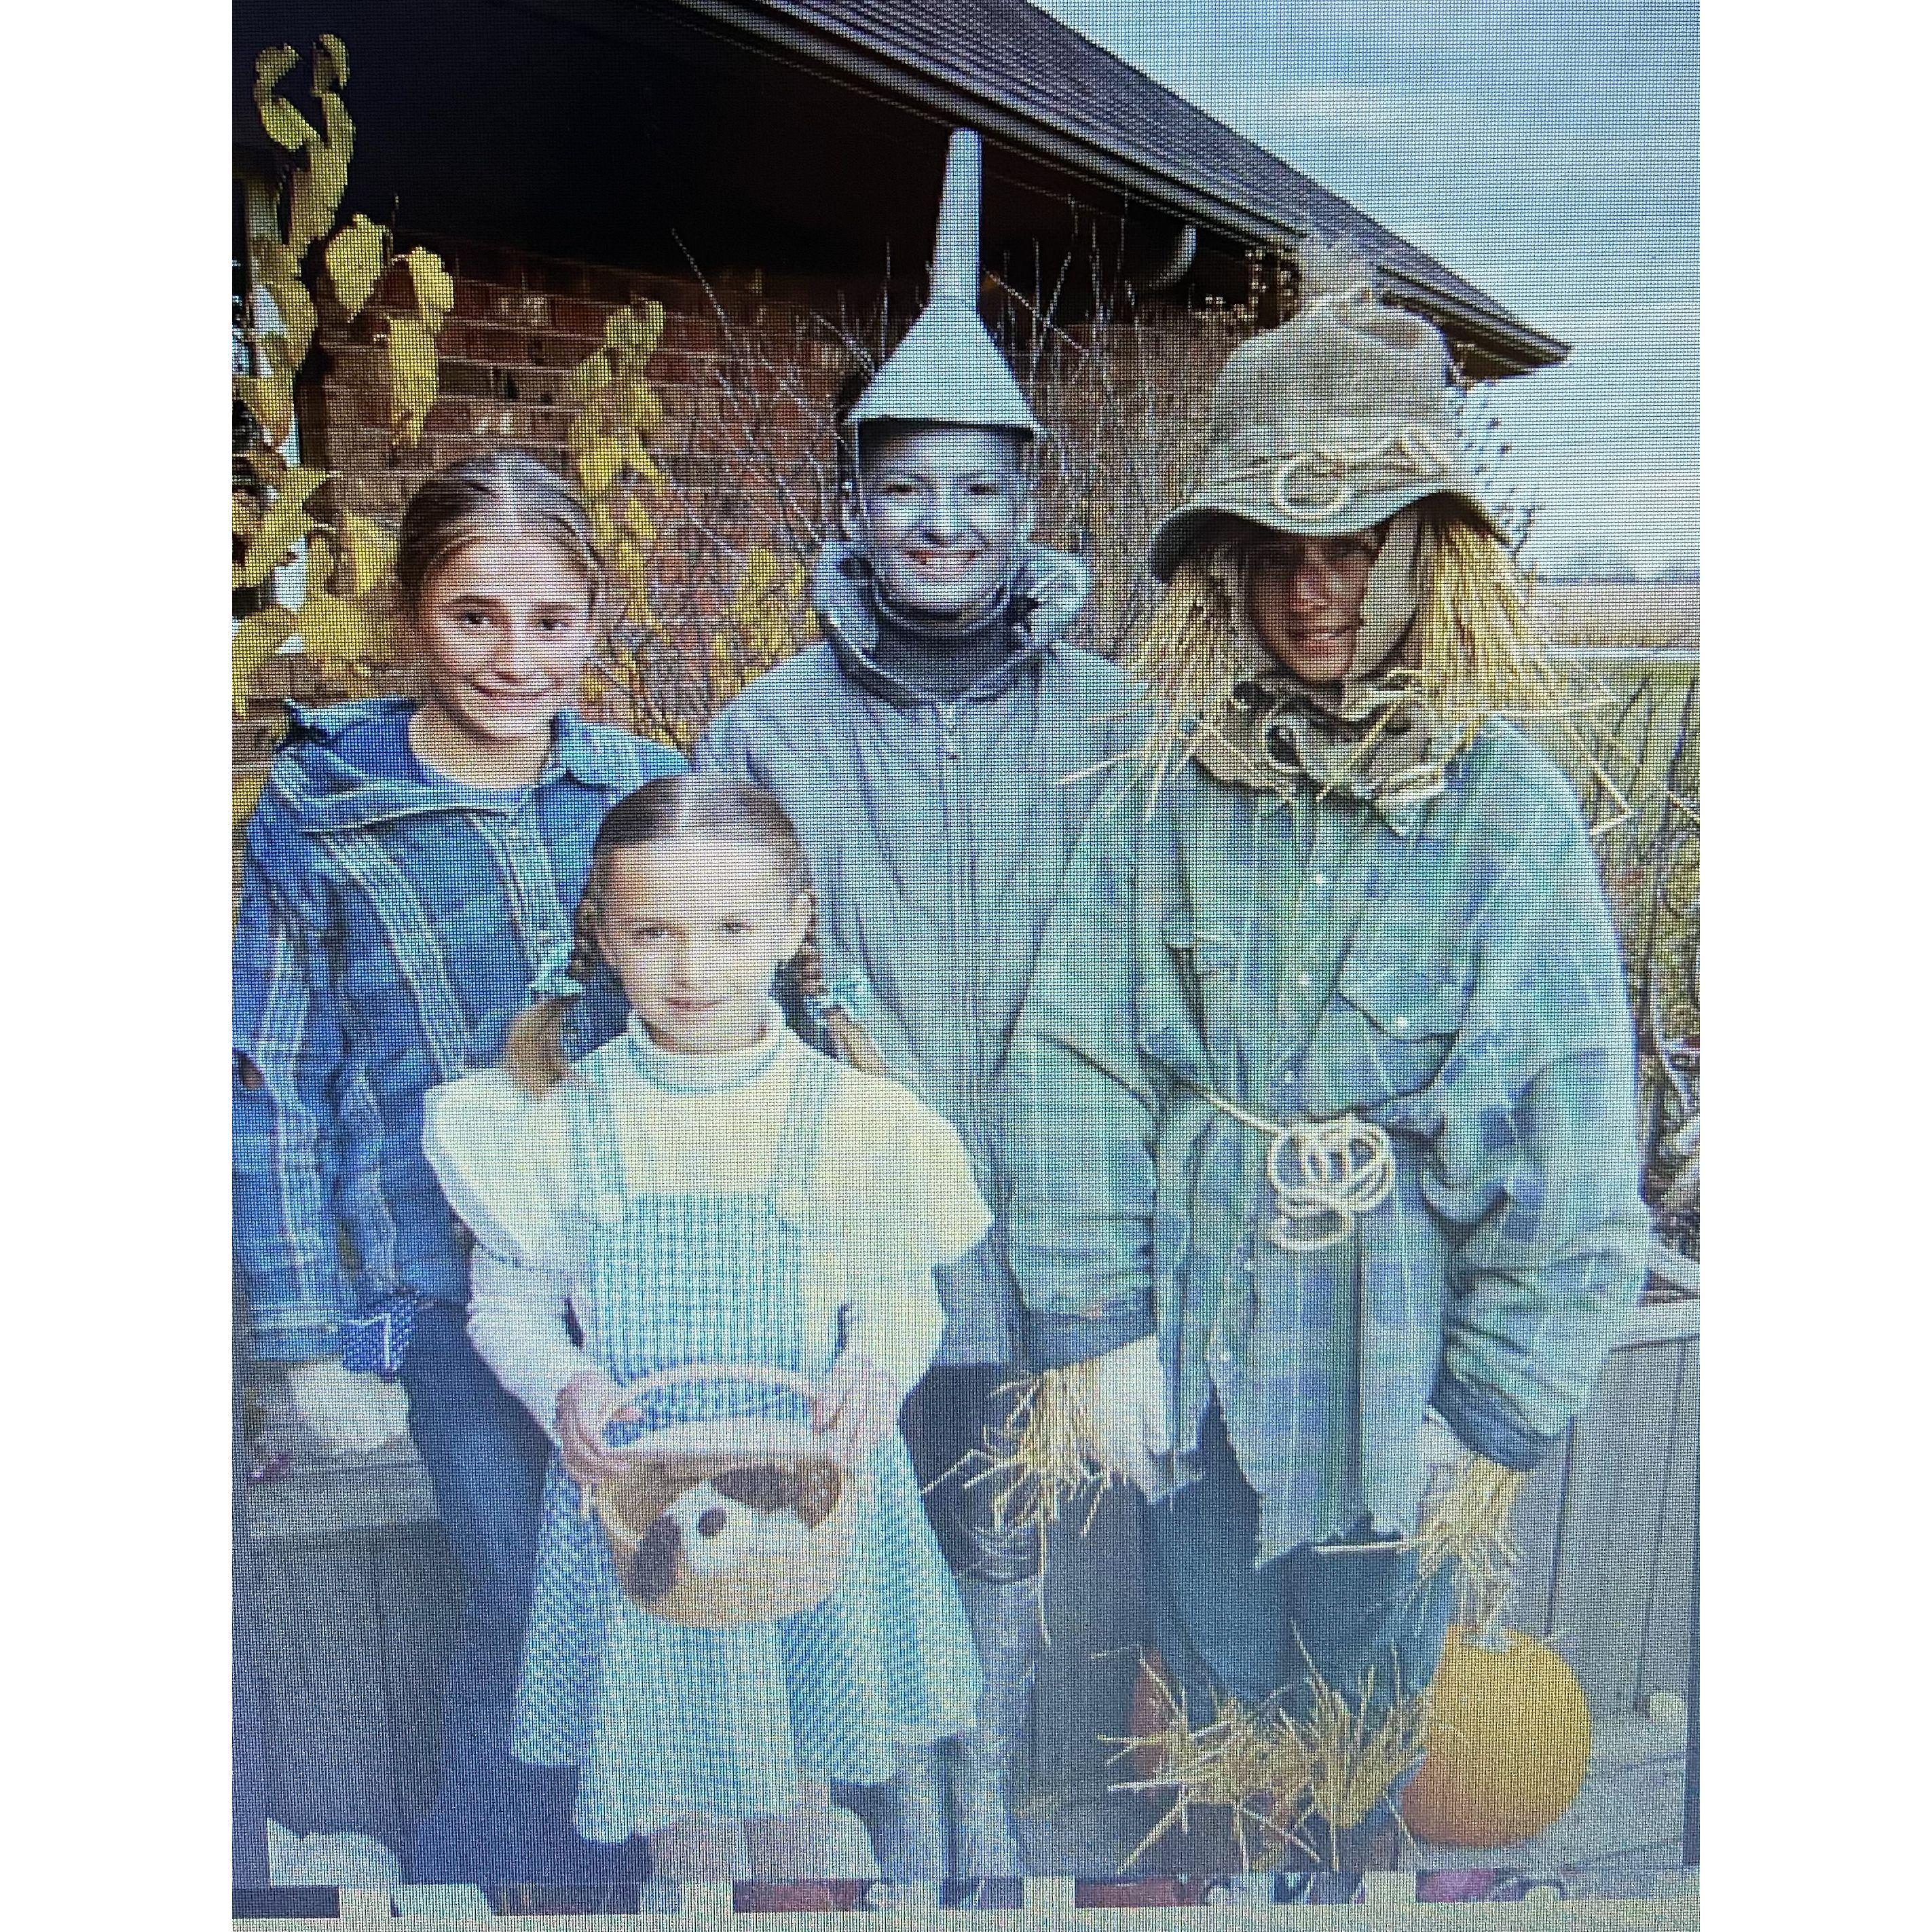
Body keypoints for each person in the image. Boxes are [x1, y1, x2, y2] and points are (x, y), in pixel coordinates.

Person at [1003, 244, 1652, 1870]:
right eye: (1278, 554)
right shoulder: (1166, 790)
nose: (1315, 593)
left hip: (1396, 1363)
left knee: (1373, 1700)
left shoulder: (1503, 814)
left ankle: (1354, 1872)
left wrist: (1489, 1407)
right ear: (1226, 570)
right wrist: (1097, 1327)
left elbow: (1572, 1135)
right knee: (1209, 1666)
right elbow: (1076, 1051)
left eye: (1355, 549)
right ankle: (1232, 1868)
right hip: (1200, 1339)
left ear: (1426, 556)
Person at [695, 128, 1146, 1884]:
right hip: (856, 1239)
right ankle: (892, 1814)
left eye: (975, 490)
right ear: (852, 510)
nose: (940, 523)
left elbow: (1156, 962)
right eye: (902, 490)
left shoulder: (1108, 720)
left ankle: (987, 1810)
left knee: (1002, 1532)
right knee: (865, 1531)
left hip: (1044, 1223)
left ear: (1027, 509)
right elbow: (716, 974)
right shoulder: (768, 731)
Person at [232, 451, 686, 1886]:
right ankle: (490, 1881)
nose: (514, 657)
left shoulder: (642, 789)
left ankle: (575, 1879)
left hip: (647, 1277)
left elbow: (737, 1011)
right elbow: (268, 1080)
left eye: (551, 620)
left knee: (649, 1587)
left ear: (595, 617)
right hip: (438, 1291)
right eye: (473, 615)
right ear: (410, 614)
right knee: (529, 1591)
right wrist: (307, 1339)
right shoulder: (325, 807)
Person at [417, 774, 990, 1885]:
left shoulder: (857, 1118)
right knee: (673, 1803)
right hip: (643, 1513)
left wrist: (877, 1363)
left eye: (731, 929)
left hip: (805, 1502)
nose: (694, 968)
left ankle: (800, 1881)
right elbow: (511, 1305)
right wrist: (565, 1384)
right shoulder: (555, 1117)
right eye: (654, 932)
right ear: (604, 936)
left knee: (800, 1796)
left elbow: (898, 1292)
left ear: (793, 924)